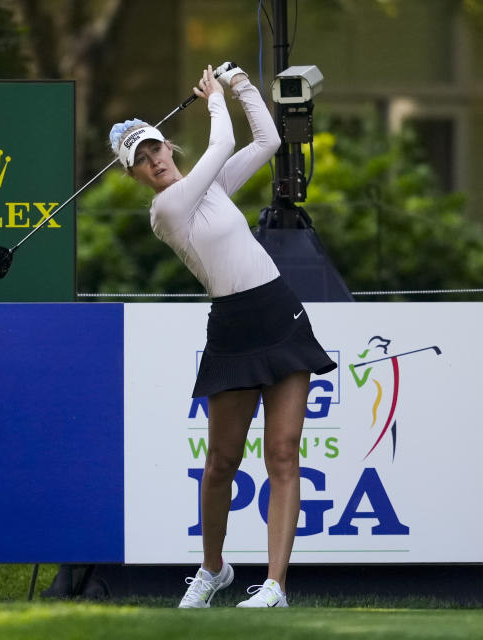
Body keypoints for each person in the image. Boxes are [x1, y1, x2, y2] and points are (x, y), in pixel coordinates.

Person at [108, 63, 336, 608]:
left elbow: (267, 138)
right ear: (134, 175)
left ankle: (276, 586)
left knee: (283, 454)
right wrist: (213, 98)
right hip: (232, 328)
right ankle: (213, 569)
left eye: (156, 148)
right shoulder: (167, 210)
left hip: (280, 315)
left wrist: (243, 87)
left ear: (169, 148)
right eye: (141, 160)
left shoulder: (212, 188)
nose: (154, 161)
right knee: (221, 463)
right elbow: (225, 138)